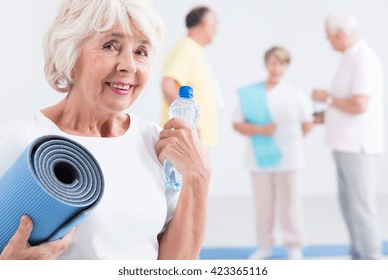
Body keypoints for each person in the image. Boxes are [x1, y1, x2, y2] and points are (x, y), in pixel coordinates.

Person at [0, 0, 211, 260]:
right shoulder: (23, 142)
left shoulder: (156, 141)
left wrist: (199, 176)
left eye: (141, 51)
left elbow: (176, 268)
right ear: (71, 53)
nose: (129, 66)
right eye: (111, 46)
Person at [312, 11, 384, 260]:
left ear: (339, 34)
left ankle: (373, 259)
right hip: (343, 145)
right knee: (349, 206)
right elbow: (345, 105)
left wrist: (327, 98)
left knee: (362, 207)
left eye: (328, 37)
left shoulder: (364, 58)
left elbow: (359, 105)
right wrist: (321, 117)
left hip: (358, 146)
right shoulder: (349, 58)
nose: (328, 41)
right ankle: (358, 252)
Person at [233, 46, 313, 260]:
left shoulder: (295, 93)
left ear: (287, 66)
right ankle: (264, 245)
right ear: (266, 64)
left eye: (281, 64)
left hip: (290, 158)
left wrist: (290, 140)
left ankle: (293, 245)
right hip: (258, 158)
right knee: (263, 206)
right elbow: (237, 124)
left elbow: (307, 123)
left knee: (291, 205)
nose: (276, 68)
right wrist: (260, 130)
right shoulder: (251, 94)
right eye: (273, 63)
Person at [161, 6, 223, 147]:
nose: (216, 30)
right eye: (215, 24)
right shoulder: (186, 48)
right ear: (205, 23)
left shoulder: (194, 50)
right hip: (188, 139)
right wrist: (186, 126)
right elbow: (167, 85)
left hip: (195, 138)